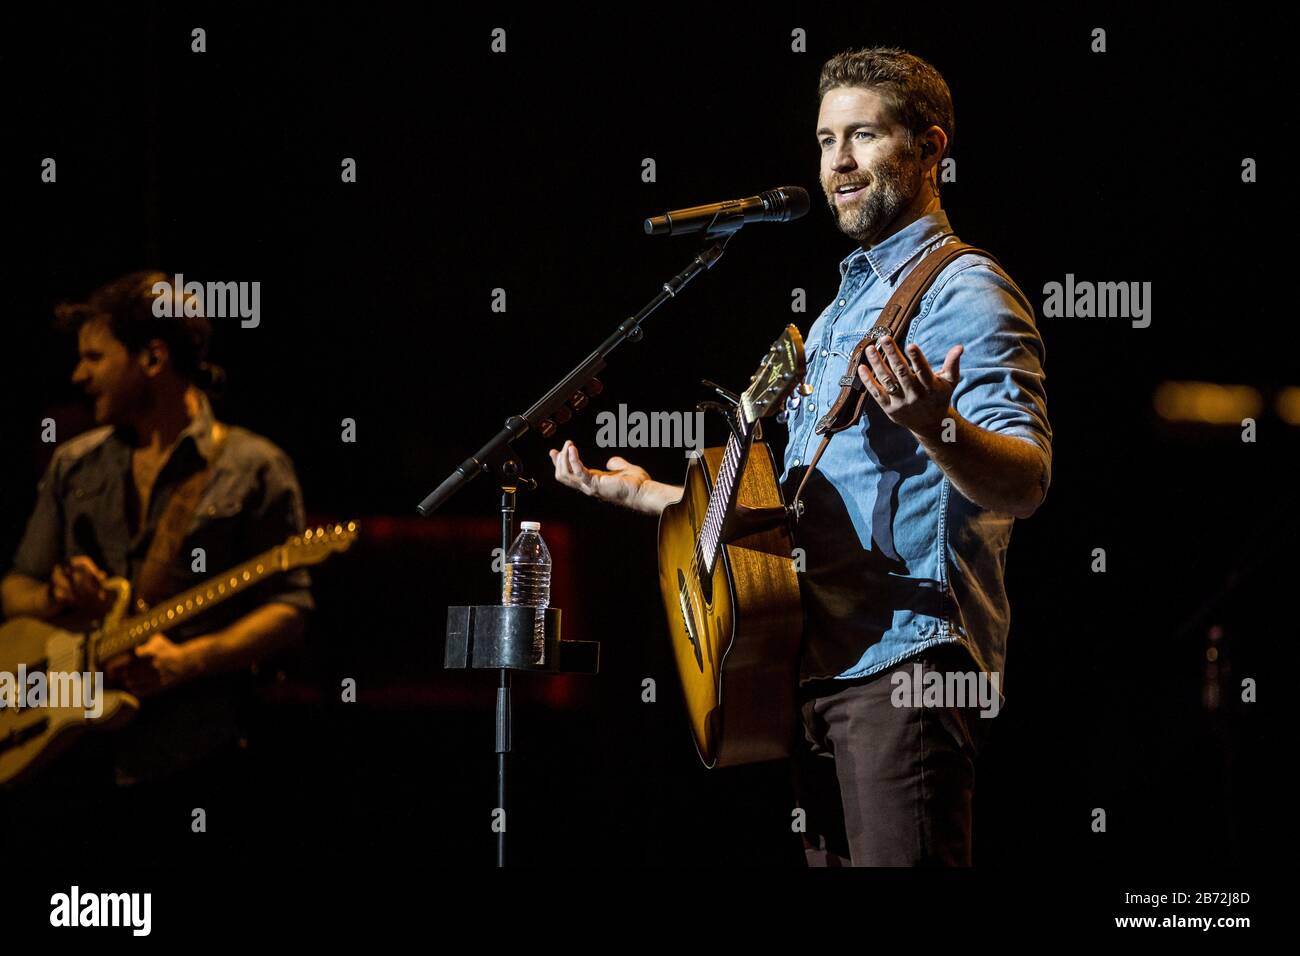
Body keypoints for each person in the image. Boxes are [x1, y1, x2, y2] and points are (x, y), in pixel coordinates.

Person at [549, 47, 1052, 866]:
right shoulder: (832, 317)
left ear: (930, 150)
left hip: (905, 665)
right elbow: (789, 505)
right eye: (825, 141)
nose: (838, 164)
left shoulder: (968, 290)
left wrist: (937, 425)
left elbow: (1028, 480)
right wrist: (649, 495)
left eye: (863, 137)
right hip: (815, 665)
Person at [0, 270, 313, 862]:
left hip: (197, 758)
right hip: (69, 767)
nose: (78, 374)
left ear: (152, 357)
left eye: (95, 357)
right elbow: (14, 588)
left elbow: (291, 609)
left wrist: (188, 660)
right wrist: (55, 596)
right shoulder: (74, 464)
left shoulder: (255, 467)